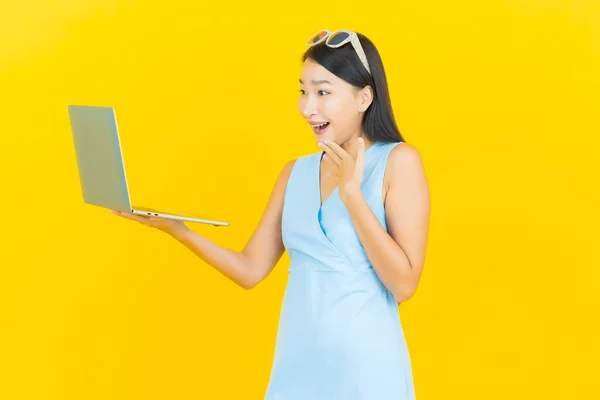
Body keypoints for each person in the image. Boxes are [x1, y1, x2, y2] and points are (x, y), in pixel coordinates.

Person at [112, 29, 430, 400]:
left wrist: (352, 197)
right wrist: (178, 231)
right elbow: (250, 270)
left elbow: (404, 285)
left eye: (323, 92)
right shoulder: (295, 173)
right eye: (303, 91)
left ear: (364, 97)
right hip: (297, 369)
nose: (307, 108)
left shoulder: (399, 162)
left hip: (366, 370)